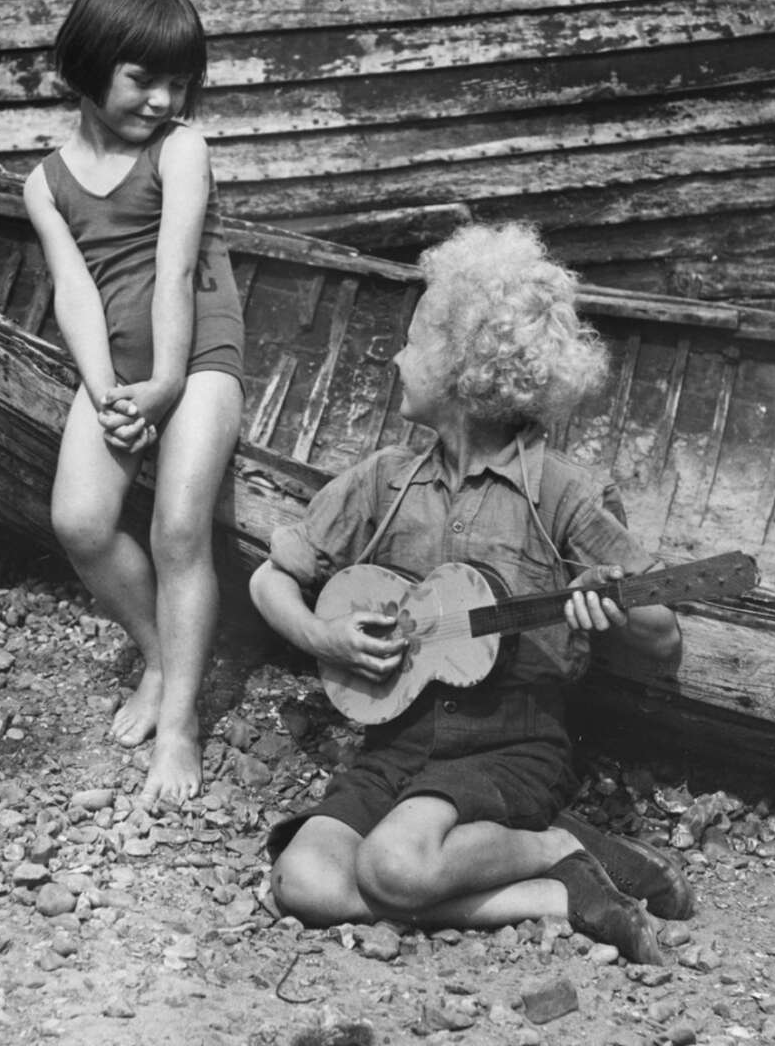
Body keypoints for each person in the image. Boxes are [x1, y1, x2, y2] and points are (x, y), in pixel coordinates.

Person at [249, 222, 692, 962]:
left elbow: (662, 638)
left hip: (511, 741)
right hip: (397, 737)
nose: (396, 356)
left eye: (415, 340)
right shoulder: (381, 481)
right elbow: (272, 580)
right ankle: (563, 883)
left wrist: (611, 607)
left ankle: (552, 837)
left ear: (465, 368)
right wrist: (321, 637)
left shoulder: (564, 492)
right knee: (305, 881)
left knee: (394, 868)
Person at [24, 0, 245, 806]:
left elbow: (175, 269)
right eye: (142, 79)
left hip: (199, 354)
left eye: (178, 83)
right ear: (87, 67)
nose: (162, 99)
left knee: (179, 527)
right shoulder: (43, 183)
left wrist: (163, 384)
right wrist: (107, 389)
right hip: (117, 367)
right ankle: (160, 658)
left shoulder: (181, 150)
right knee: (79, 521)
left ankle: (182, 721)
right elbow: (73, 290)